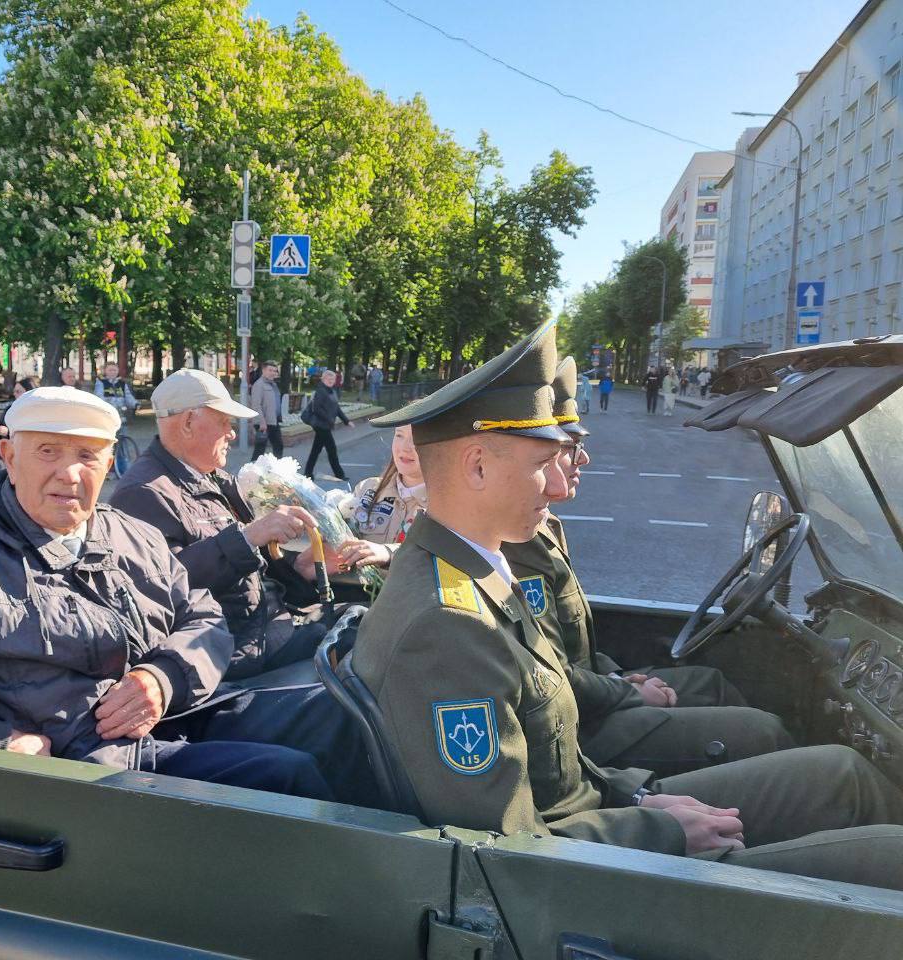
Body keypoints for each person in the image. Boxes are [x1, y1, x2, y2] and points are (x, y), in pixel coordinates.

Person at [353, 318, 903, 891]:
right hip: (607, 878)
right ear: (477, 465)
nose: (563, 486)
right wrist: (660, 831)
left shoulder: (474, 574)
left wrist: (639, 798)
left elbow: (558, 762)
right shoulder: (445, 626)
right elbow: (505, 856)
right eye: (544, 464)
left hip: (605, 822)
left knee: (845, 778)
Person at [0, 387, 350, 801]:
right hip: (90, 766)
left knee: (335, 715)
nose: (69, 474)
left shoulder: (127, 534)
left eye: (88, 456)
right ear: (8, 456)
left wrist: (161, 679)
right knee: (289, 775)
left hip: (172, 716)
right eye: (47, 451)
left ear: (109, 464)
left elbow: (202, 616)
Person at [502, 357, 792, 777]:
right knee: (767, 734)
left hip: (591, 697)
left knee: (712, 682)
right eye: (565, 449)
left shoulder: (541, 526)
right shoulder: (517, 536)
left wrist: (621, 680)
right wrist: (625, 692)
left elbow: (569, 651)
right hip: (583, 725)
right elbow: (551, 674)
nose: (581, 459)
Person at [110, 368, 336, 680]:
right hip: (232, 654)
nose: (232, 433)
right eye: (224, 422)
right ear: (189, 422)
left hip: (265, 628)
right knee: (354, 649)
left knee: (361, 628)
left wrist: (299, 568)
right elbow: (160, 590)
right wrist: (247, 537)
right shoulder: (144, 492)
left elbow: (250, 571)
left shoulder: (210, 476)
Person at [339, 425, 426, 571]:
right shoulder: (367, 489)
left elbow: (443, 557)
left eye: (417, 438)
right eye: (399, 435)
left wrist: (389, 553)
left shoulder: (448, 504)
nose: (405, 447)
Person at [303, 369, 350, 481]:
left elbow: (336, 408)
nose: (331, 381)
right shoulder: (321, 391)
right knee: (331, 450)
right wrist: (329, 419)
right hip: (320, 425)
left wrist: (346, 420)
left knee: (316, 450)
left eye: (332, 379)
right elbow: (317, 409)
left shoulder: (331, 390)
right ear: (323, 379)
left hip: (325, 425)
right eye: (328, 379)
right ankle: (339, 475)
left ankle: (307, 473)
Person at [94, 362, 138, 474]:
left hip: (121, 417)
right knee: (108, 444)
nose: (112, 372)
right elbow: (99, 397)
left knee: (122, 444)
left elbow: (128, 397)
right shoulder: (101, 383)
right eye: (110, 370)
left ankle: (123, 469)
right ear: (105, 371)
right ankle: (106, 469)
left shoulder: (122, 384)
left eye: (114, 370)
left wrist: (135, 404)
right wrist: (108, 403)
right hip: (107, 418)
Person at [0, 376, 39, 443]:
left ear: (29, 392)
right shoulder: (10, 409)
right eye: (14, 391)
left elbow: (32, 436)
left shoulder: (37, 412)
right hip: (8, 451)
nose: (14, 394)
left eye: (18, 391)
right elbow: (2, 436)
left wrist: (8, 433)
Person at [248, 360, 284, 461]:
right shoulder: (259, 385)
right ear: (263, 370)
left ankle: (277, 470)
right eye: (270, 370)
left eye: (275, 371)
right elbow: (256, 405)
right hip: (264, 423)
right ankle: (251, 472)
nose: (273, 373)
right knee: (260, 451)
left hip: (273, 421)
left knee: (278, 446)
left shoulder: (273, 385)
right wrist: (262, 422)